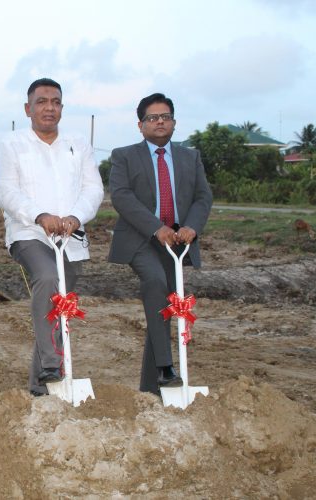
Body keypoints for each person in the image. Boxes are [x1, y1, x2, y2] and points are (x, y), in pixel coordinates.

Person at [0, 78, 103, 397]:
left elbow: (93, 188)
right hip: (29, 234)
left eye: (55, 101)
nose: (49, 107)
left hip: (71, 238)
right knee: (47, 278)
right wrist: (40, 216)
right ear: (28, 108)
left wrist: (75, 217)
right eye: (41, 101)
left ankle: (40, 387)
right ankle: (54, 362)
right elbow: (6, 191)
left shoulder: (78, 143)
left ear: (62, 108)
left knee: (55, 307)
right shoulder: (12, 144)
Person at [108, 92, 213, 395]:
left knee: (163, 307)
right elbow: (122, 197)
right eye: (152, 117)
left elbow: (203, 196)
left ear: (174, 122)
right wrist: (156, 228)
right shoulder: (124, 155)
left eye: (165, 116)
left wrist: (191, 226)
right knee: (154, 283)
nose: (159, 122)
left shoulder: (190, 157)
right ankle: (165, 368)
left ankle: (150, 388)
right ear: (140, 125)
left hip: (178, 242)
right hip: (141, 239)